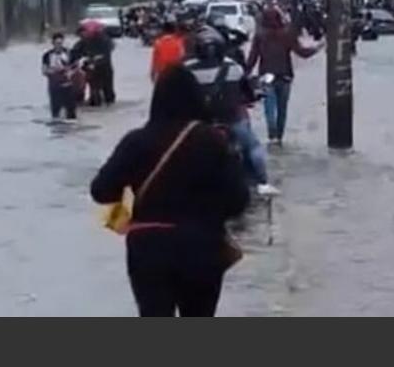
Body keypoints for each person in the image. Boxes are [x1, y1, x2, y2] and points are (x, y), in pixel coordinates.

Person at [90, 66, 249, 317]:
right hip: (202, 247)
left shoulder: (136, 141)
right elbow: (239, 200)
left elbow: (101, 191)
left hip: (148, 247)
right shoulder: (213, 141)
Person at [185, 30, 277, 196]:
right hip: (232, 120)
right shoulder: (233, 67)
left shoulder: (186, 69)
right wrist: (253, 96)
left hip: (199, 124)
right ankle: (262, 183)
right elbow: (248, 92)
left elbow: (177, 95)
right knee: (253, 147)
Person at [245, 6, 323, 145]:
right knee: (282, 110)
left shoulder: (260, 36)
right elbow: (302, 53)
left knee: (269, 109)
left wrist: (243, 74)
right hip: (285, 75)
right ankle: (279, 138)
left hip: (266, 76)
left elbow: (252, 59)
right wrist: (318, 47)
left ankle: (272, 136)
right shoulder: (287, 35)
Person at [41, 32, 77, 121]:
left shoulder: (69, 53)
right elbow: (44, 70)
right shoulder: (47, 55)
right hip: (54, 86)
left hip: (68, 85)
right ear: (53, 43)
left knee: (71, 110)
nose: (59, 46)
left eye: (60, 43)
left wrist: (70, 72)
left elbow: (75, 67)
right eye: (57, 43)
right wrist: (52, 71)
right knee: (55, 110)